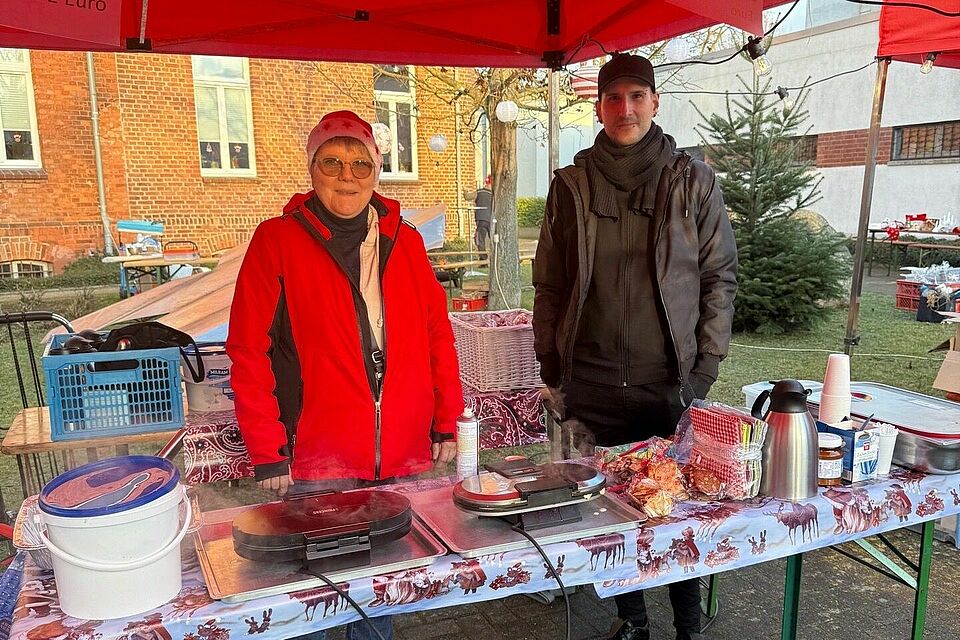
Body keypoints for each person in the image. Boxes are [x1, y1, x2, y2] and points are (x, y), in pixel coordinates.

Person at [227, 110, 464, 640]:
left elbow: (437, 335)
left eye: (361, 164)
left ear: (377, 171)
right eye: (331, 162)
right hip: (317, 456)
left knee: (379, 590)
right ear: (311, 169)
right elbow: (247, 349)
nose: (347, 176)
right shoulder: (277, 240)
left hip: (395, 447)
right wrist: (267, 449)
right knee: (311, 596)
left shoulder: (405, 240)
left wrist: (445, 420)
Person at [532, 54, 737, 640]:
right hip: (591, 380)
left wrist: (705, 367)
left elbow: (719, 278)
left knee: (675, 507)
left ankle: (688, 626)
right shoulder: (571, 185)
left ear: (654, 102)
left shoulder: (692, 180)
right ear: (598, 107)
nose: (625, 109)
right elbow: (549, 283)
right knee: (609, 512)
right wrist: (552, 365)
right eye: (613, 98)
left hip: (667, 381)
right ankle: (633, 620)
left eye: (637, 96)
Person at [474, 175, 493, 259]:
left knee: (480, 239)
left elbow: (468, 197)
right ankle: (495, 257)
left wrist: (465, 191)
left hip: (481, 219)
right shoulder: (493, 194)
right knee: (494, 239)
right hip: (491, 219)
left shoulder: (479, 192)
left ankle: (483, 259)